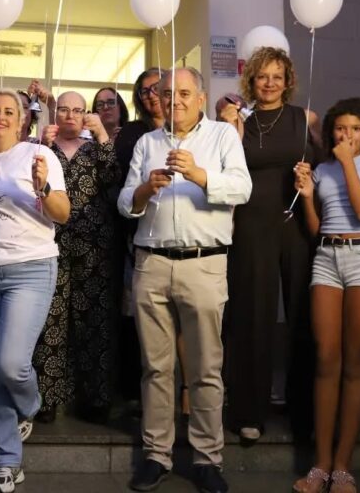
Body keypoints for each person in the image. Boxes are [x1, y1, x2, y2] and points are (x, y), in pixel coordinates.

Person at [119, 67, 251, 493]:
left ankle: (207, 458)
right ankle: (156, 455)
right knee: (156, 367)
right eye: (166, 93)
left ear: (200, 98)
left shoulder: (223, 136)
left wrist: (199, 174)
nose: (173, 99)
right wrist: (145, 190)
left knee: (206, 368)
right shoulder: (147, 142)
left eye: (183, 92)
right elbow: (125, 202)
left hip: (204, 262)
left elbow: (242, 189)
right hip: (152, 263)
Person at [0, 89, 70, 493]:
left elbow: (63, 213)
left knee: (10, 364)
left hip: (31, 269)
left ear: (23, 119)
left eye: (9, 111)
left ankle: (30, 405)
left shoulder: (38, 156)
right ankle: (7, 462)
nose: (0, 117)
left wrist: (43, 189)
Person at [292, 98, 360, 493]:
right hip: (327, 257)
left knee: (355, 362)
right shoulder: (323, 169)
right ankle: (320, 465)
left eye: (355, 129)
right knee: (325, 358)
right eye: (340, 128)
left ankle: (342, 467)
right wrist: (307, 196)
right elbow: (317, 228)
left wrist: (349, 163)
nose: (346, 135)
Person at [218, 46, 315, 443]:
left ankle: (304, 414)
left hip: (294, 225)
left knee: (302, 316)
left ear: (288, 80)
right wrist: (233, 131)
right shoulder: (238, 120)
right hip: (250, 227)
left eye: (277, 76)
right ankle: (248, 413)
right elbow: (224, 169)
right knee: (251, 318)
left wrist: (310, 177)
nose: (270, 83)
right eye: (263, 76)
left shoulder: (305, 119)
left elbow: (325, 167)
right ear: (251, 81)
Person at [36, 91, 119, 423]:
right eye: (64, 109)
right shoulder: (44, 148)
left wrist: (103, 137)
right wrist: (39, 145)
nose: (70, 115)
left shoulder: (97, 147)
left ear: (86, 114)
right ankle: (46, 399)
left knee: (94, 323)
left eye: (77, 110)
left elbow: (115, 183)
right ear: (55, 113)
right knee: (51, 321)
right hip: (51, 243)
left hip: (94, 247)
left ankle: (94, 399)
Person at [114, 68, 164, 407]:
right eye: (144, 91)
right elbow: (126, 184)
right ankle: (135, 393)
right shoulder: (133, 133)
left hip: (183, 239)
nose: (151, 95)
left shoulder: (199, 133)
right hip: (138, 235)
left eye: (156, 88)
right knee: (137, 317)